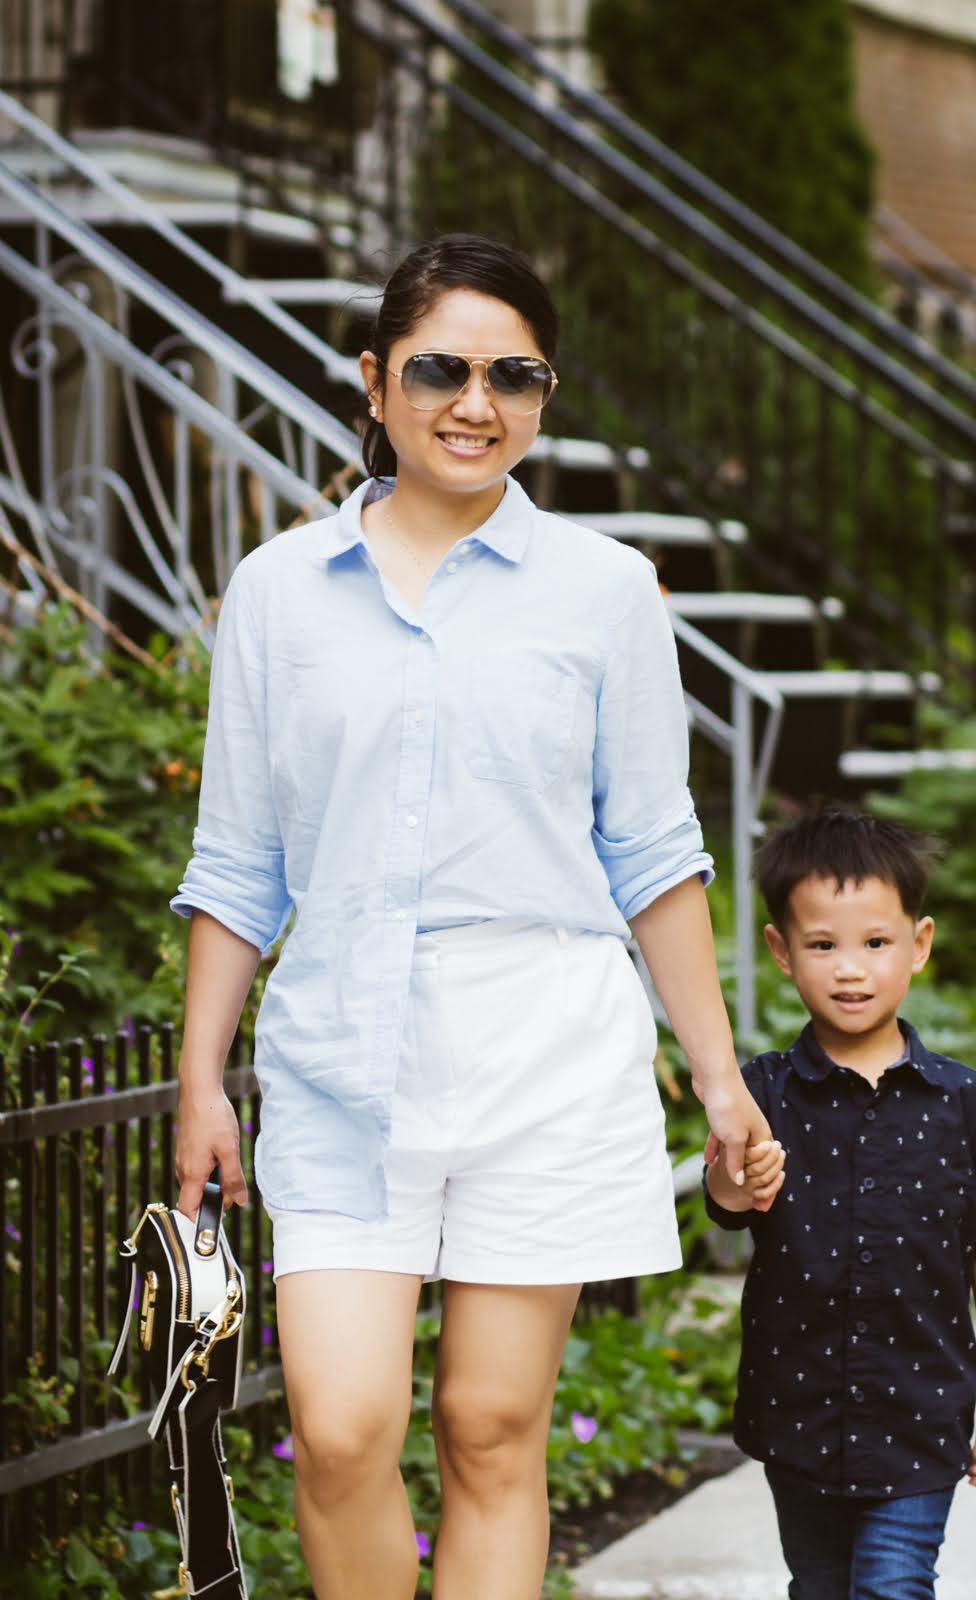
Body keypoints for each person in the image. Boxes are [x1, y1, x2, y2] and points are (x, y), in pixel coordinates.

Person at [169, 233, 785, 1600]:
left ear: (544, 395)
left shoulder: (606, 590)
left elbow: (650, 850)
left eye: (515, 374)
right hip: (341, 1054)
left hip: (544, 1056)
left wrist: (719, 1077)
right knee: (338, 1431)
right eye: (440, 368)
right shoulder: (278, 592)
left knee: (492, 1429)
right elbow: (238, 860)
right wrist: (200, 1077)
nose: (475, 401)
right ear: (376, 382)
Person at [704, 806, 976, 1600]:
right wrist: (737, 1174)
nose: (850, 969)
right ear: (781, 952)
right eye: (822, 945)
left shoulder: (967, 1104)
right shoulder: (761, 1091)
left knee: (894, 1587)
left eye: (875, 943)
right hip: (796, 1411)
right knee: (819, 1587)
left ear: (918, 945)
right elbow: (724, 1201)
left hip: (919, 1411)